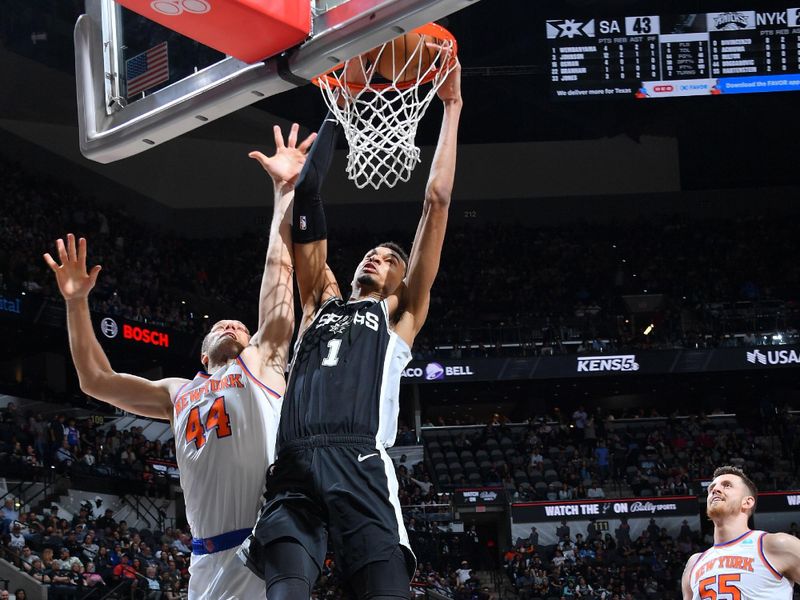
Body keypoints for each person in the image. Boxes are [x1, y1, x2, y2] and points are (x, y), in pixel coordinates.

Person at [42, 125, 316, 600]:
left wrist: (283, 194)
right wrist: (76, 303)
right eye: (222, 326)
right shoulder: (176, 390)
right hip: (205, 560)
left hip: (262, 547)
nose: (234, 326)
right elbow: (95, 380)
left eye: (241, 327)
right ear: (202, 353)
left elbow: (278, 282)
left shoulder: (262, 363)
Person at [239, 58, 462, 600]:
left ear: (403, 280)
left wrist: (451, 107)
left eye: (389, 258)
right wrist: (308, 162)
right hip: (292, 461)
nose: (376, 258)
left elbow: (435, 202)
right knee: (285, 590)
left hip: (358, 460)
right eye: (371, 253)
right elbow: (309, 205)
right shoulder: (321, 302)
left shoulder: (399, 316)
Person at [681, 465, 800, 599]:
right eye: (711, 488)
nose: (715, 489)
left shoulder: (776, 544)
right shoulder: (694, 563)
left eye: (727, 485)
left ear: (747, 502)